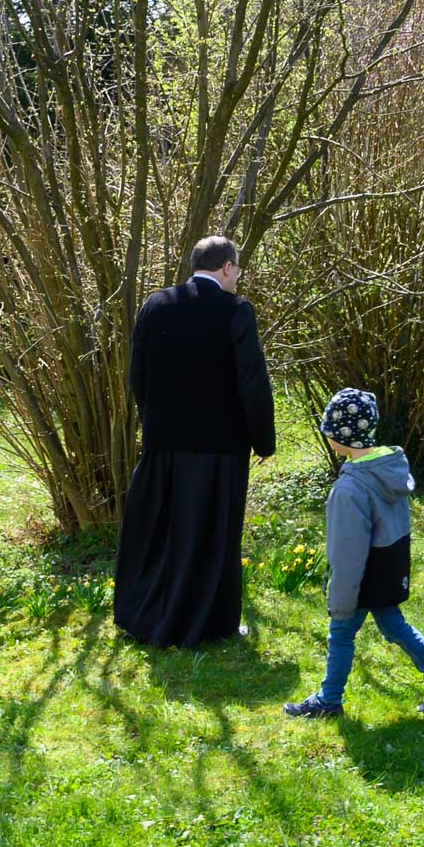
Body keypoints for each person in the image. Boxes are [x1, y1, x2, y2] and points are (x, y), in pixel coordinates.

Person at [114, 236, 275, 648]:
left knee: (162, 528)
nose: (237, 278)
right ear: (226, 268)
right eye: (236, 270)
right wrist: (263, 441)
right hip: (220, 449)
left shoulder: (156, 304)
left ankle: (146, 613)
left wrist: (154, 417)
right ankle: (212, 622)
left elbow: (138, 374)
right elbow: (252, 382)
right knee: (214, 534)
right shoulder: (236, 311)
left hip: (163, 442)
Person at [283, 388, 424, 719]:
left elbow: (347, 554)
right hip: (389, 566)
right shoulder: (389, 469)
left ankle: (329, 701)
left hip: (361, 576)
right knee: (394, 627)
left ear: (339, 435)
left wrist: (341, 600)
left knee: (341, 633)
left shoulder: (349, 489)